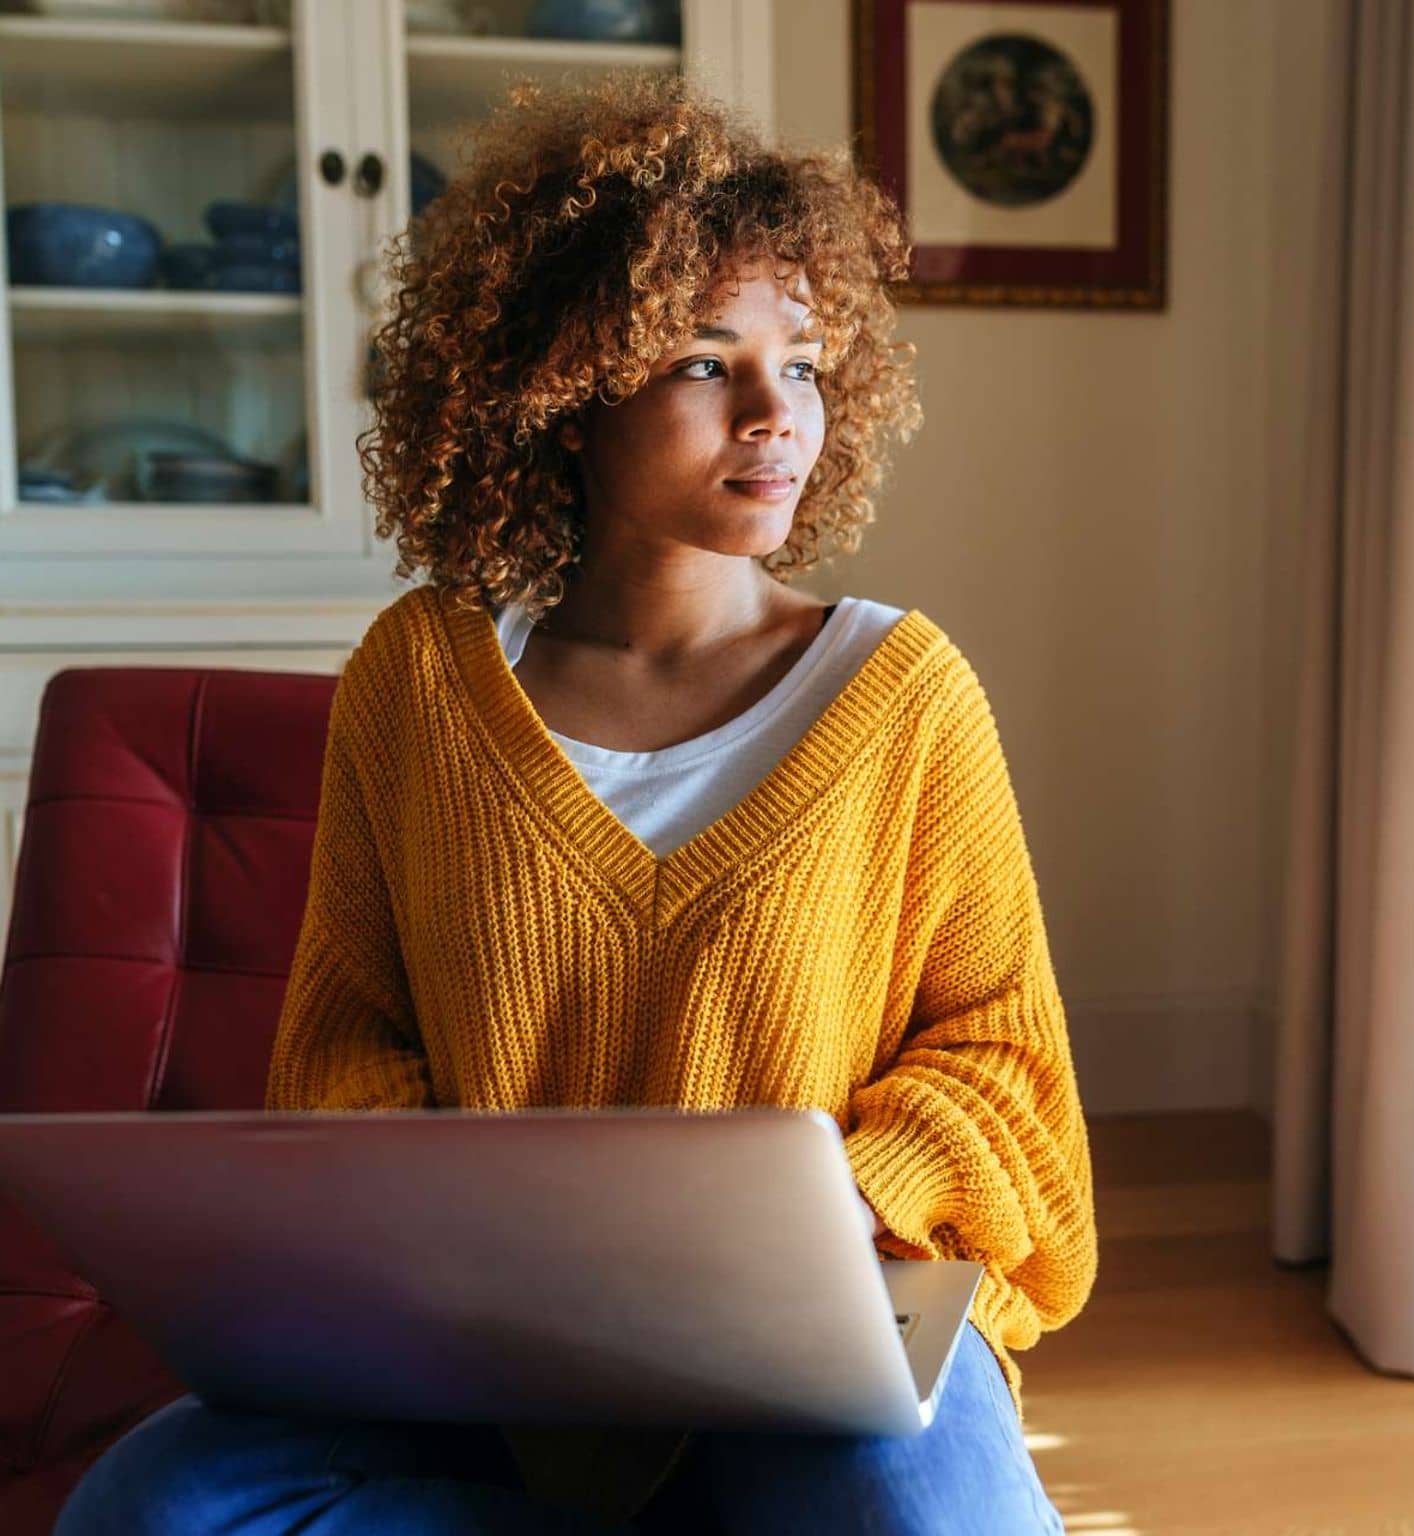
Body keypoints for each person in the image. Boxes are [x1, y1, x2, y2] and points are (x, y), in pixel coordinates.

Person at [52, 68, 1094, 1536]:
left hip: (817, 1350)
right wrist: (463, 1250)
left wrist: (836, 1213)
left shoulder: (905, 698)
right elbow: (348, 1038)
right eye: (699, 361)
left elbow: (1001, 1067)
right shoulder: (418, 684)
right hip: (478, 1366)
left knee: (913, 1515)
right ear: (559, 388)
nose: (771, 411)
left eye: (800, 362)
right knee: (155, 1508)